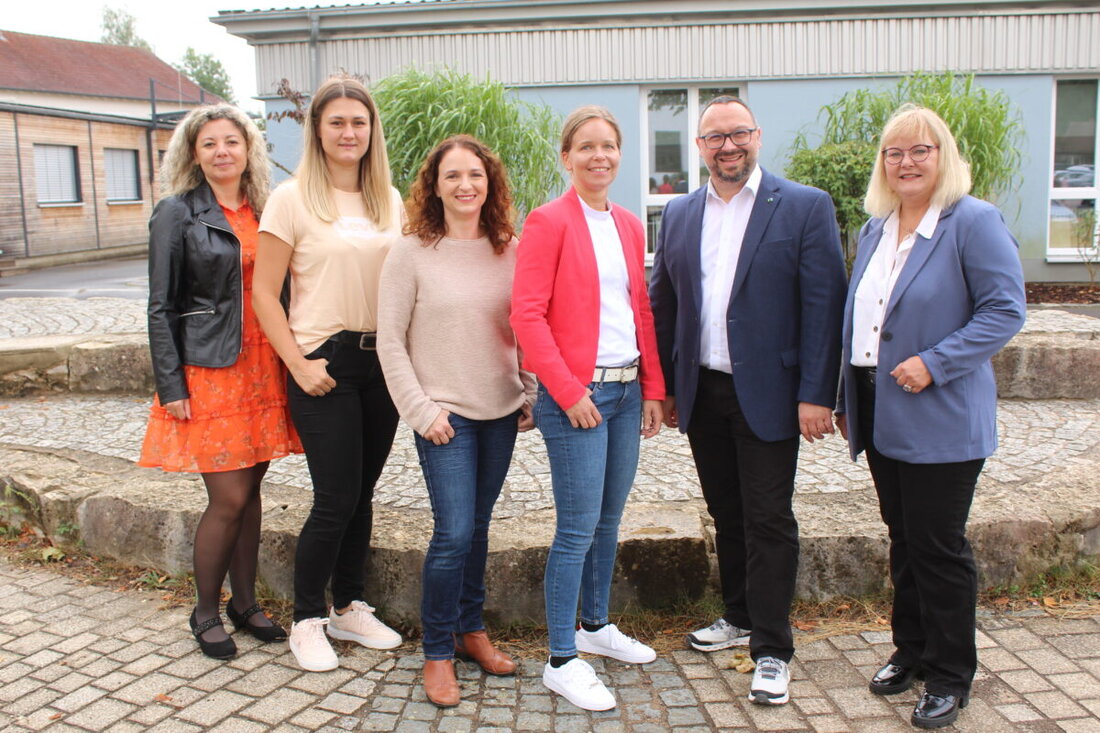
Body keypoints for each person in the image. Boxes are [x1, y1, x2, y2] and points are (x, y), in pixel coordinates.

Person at [648, 95, 847, 706]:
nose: (727, 146)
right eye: (714, 138)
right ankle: (736, 613)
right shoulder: (679, 213)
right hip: (704, 391)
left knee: (768, 518)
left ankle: (771, 649)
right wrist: (668, 388)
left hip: (772, 393)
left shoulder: (805, 206)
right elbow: (664, 303)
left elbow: (824, 305)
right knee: (726, 511)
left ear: (757, 136)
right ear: (700, 147)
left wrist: (817, 394)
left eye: (738, 134)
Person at [834, 104, 1025, 729]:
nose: (907, 162)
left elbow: (1004, 311)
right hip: (879, 403)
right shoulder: (876, 226)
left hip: (939, 409)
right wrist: (845, 395)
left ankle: (950, 673)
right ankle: (911, 650)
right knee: (904, 539)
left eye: (921, 150)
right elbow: (862, 318)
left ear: (943, 157)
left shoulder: (972, 222)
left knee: (939, 546)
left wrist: (935, 362)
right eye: (895, 152)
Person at [511, 105, 665, 712]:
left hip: (626, 393)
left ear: (619, 155)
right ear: (566, 157)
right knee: (575, 529)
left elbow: (641, 310)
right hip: (577, 395)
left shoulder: (629, 223)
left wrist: (653, 387)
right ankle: (561, 659)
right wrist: (568, 392)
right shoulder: (547, 222)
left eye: (609, 146)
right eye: (587, 147)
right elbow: (527, 315)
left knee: (608, 519)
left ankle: (595, 627)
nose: (599, 156)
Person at [252, 76, 404, 672]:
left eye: (358, 122)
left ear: (372, 131)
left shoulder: (389, 199)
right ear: (317, 129)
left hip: (383, 364)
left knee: (362, 493)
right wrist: (298, 364)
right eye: (336, 122)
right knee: (335, 496)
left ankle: (351, 606)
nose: (349, 132)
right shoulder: (291, 199)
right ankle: (307, 618)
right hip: (325, 364)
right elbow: (265, 294)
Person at [377, 135, 535, 707]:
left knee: (480, 529)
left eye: (476, 174)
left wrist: (528, 390)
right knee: (452, 534)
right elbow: (391, 343)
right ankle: (438, 651)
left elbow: (525, 328)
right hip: (444, 418)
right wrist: (420, 411)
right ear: (434, 185)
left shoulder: (510, 248)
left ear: (489, 182)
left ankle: (472, 632)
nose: (465, 185)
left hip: (500, 413)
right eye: (452, 176)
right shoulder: (412, 251)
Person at [139, 104, 301, 659]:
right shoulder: (176, 213)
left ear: (248, 149)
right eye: (209, 144)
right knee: (228, 497)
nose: (222, 151)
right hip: (209, 371)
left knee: (252, 493)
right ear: (193, 154)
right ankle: (205, 609)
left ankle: (246, 603)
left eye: (231, 141)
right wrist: (172, 385)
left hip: (264, 364)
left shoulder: (265, 210)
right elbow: (160, 306)